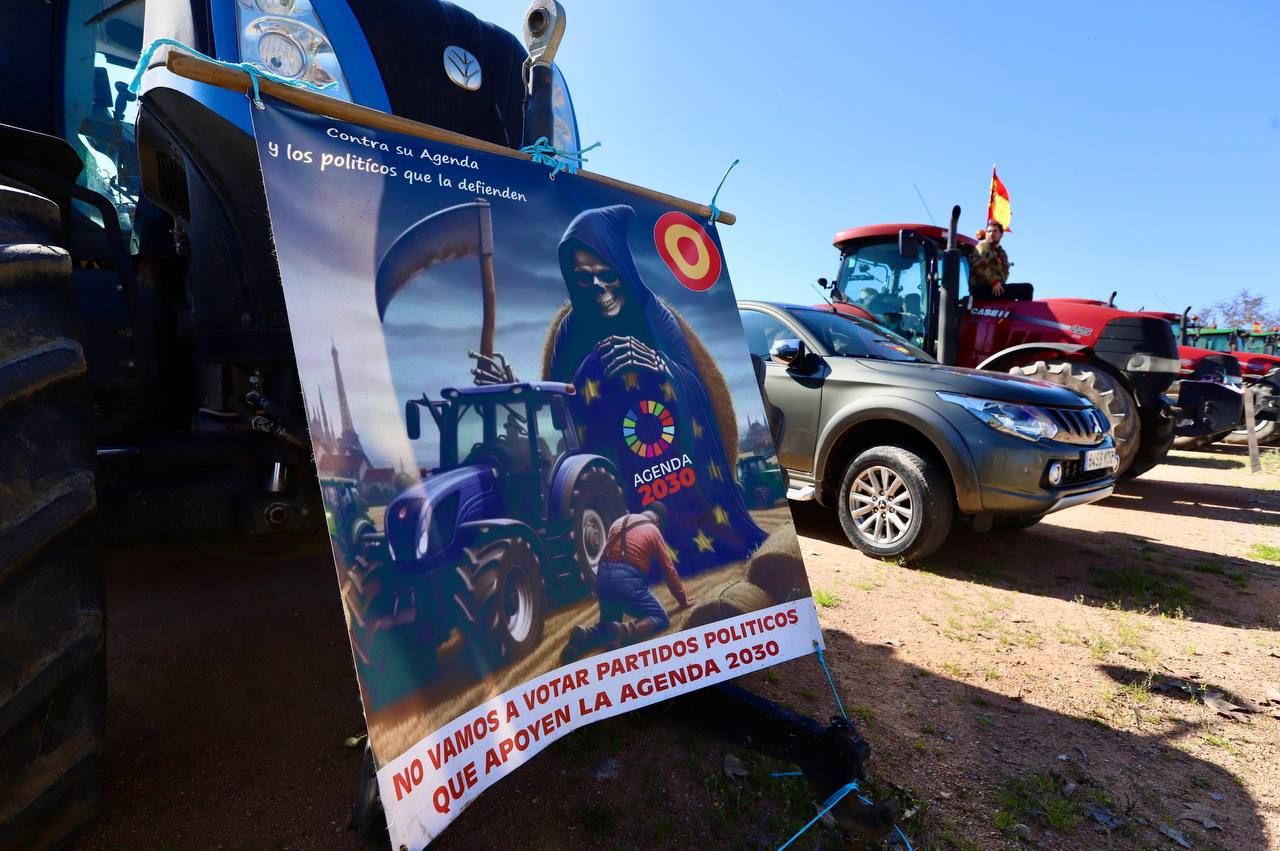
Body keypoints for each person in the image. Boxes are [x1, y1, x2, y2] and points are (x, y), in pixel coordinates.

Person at [560, 501, 692, 663]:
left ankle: (585, 635)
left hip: (603, 577)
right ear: (658, 521)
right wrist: (682, 599)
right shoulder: (653, 530)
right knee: (660, 618)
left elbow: (605, 557)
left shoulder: (618, 522)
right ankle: (624, 630)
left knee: (608, 625)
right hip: (627, 579)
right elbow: (669, 570)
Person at [969, 220, 1011, 298]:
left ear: (1001, 234)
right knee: (1026, 289)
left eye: (995, 231)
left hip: (996, 288)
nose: (991, 234)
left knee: (1025, 289)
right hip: (981, 288)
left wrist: (999, 283)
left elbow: (1005, 271)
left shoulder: (1002, 253)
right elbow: (978, 264)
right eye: (989, 231)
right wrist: (994, 282)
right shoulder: (983, 246)